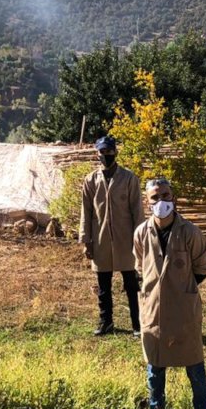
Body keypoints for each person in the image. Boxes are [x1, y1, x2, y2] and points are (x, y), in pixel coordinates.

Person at [133, 177, 206, 409]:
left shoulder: (190, 232)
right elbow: (140, 267)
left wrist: (180, 289)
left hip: (184, 309)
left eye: (165, 195)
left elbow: (202, 267)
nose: (161, 201)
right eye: (155, 197)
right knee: (155, 367)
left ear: (173, 198)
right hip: (152, 309)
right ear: (147, 201)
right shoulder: (141, 233)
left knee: (194, 366)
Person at [80, 136, 145, 336]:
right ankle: (106, 322)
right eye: (102, 152)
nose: (106, 156)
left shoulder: (129, 178)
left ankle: (138, 324)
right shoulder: (91, 180)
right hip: (100, 240)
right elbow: (86, 211)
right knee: (103, 285)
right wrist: (85, 240)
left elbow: (137, 211)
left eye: (109, 152)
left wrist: (140, 241)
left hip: (127, 240)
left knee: (132, 284)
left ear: (115, 152)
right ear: (97, 154)